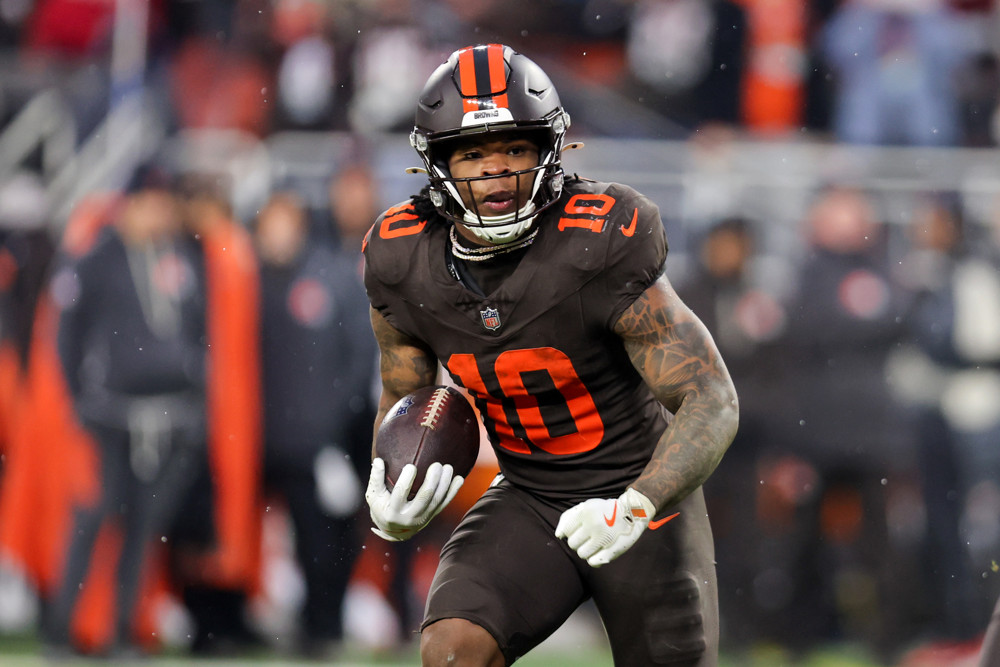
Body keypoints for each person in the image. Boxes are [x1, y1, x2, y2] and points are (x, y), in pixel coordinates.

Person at [361, 44, 738, 666]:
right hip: (530, 495)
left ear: (550, 150)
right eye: (473, 154)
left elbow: (710, 397)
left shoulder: (600, 238)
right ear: (437, 162)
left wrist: (638, 503)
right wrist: (391, 486)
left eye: (515, 149)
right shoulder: (401, 257)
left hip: (640, 493)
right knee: (452, 651)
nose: (496, 171)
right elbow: (405, 395)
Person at [47, 164, 207, 655]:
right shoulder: (94, 259)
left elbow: (196, 327)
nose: (159, 214)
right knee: (91, 522)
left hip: (167, 415)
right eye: (150, 204)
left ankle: (121, 633)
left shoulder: (179, 256)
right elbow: (65, 335)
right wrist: (79, 398)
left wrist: (194, 389)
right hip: (109, 415)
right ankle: (60, 631)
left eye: (164, 204)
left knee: (143, 529)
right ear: (128, 205)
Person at [254, 191, 375, 656]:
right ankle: (230, 621)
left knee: (325, 541)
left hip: (321, 441)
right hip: (263, 439)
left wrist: (333, 426)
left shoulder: (331, 277)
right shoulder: (252, 279)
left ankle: (323, 626)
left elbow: (358, 357)